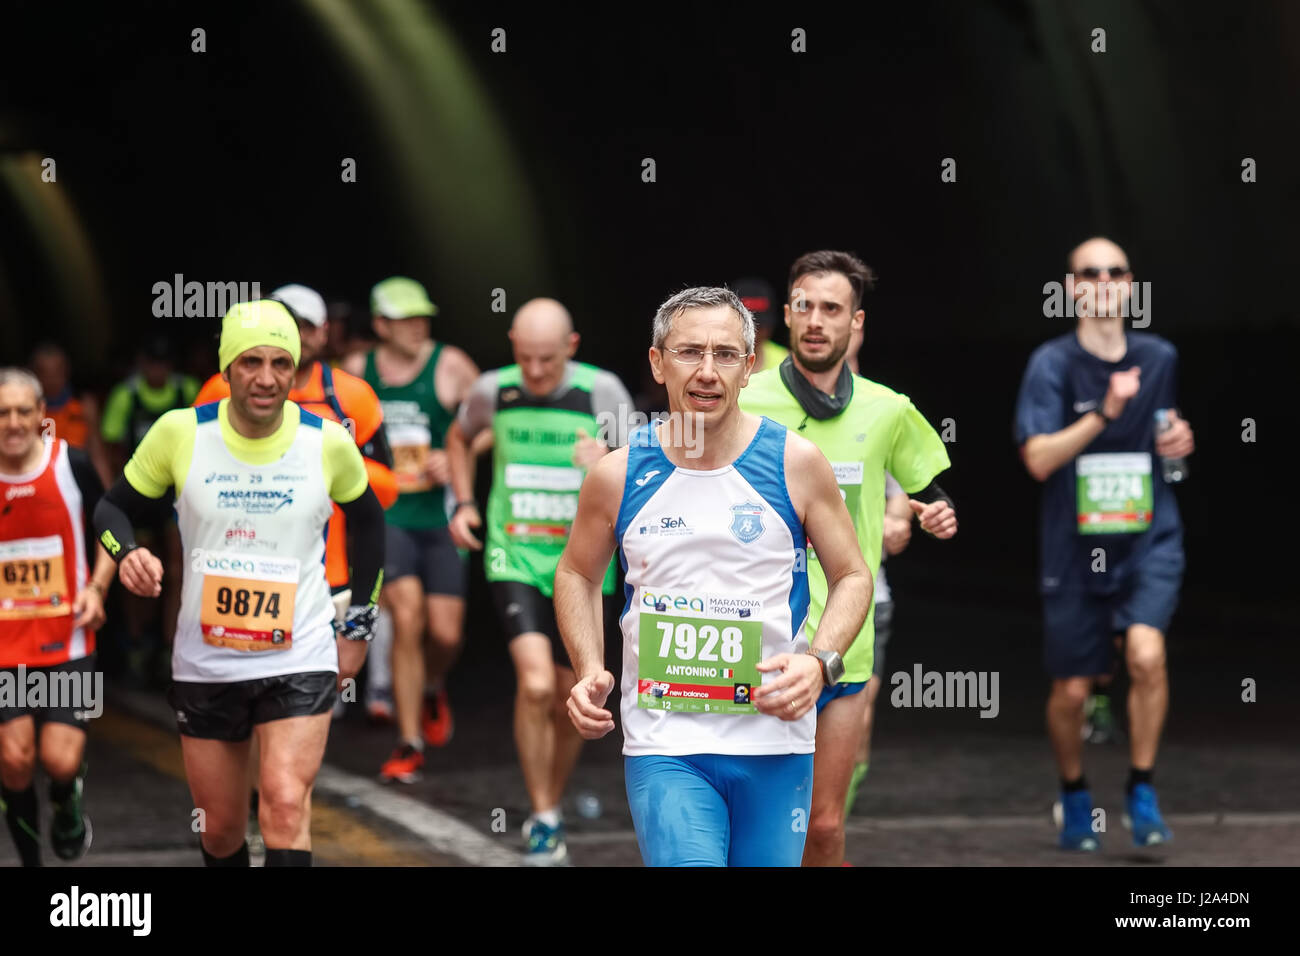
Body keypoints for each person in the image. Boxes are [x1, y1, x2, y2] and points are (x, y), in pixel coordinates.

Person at [555, 286, 873, 867]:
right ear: (657, 362)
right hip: (666, 742)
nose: (707, 372)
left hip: (776, 741)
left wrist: (820, 661)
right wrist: (588, 668)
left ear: (750, 367)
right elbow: (577, 572)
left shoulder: (795, 463)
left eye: (725, 354)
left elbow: (853, 574)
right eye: (688, 352)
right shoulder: (618, 474)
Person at [94, 300, 385, 867]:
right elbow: (110, 511)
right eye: (251, 362)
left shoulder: (325, 441)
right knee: (222, 829)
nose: (268, 378)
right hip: (208, 659)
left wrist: (359, 623)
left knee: (282, 804)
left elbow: (371, 520)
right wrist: (126, 554)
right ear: (226, 370)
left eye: (282, 363)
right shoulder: (180, 433)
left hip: (299, 648)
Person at [739, 250, 958, 867]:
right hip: (758, 637)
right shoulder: (742, 398)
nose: (816, 320)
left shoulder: (887, 409)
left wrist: (935, 513)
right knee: (756, 820)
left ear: (855, 324)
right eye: (803, 306)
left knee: (826, 828)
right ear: (786, 315)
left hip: (843, 642)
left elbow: (927, 490)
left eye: (832, 309)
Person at [1014, 236, 1193, 850]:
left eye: (1115, 271)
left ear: (1130, 284)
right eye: (1089, 273)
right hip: (1074, 545)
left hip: (1148, 537)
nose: (1103, 281)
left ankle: (1142, 790)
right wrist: (1104, 413)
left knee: (1145, 655)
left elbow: (1165, 436)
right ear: (1071, 289)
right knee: (1073, 688)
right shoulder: (1052, 364)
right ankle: (1073, 791)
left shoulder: (1159, 355)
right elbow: (1037, 459)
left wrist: (1177, 447)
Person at [446, 298, 636, 864]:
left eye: (547, 361)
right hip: (515, 557)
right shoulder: (491, 390)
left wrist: (608, 459)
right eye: (524, 358)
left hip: (583, 566)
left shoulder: (603, 393)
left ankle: (547, 805)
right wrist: (461, 503)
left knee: (570, 696)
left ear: (572, 348)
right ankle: (545, 815)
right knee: (534, 686)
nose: (533, 373)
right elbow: (458, 438)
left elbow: (650, 466)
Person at [194, 284, 400, 718]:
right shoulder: (217, 388)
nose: (295, 333)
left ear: (324, 332)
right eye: (286, 321)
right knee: (241, 707)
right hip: (241, 574)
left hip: (328, 576)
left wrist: (328, 468)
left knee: (308, 711)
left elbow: (386, 487)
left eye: (304, 325)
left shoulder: (353, 396)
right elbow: (187, 479)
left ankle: (284, 785)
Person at [340, 277, 480, 781]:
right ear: (380, 325)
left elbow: (489, 423)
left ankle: (430, 686)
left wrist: (456, 454)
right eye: (406, 319)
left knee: (446, 633)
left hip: (438, 518)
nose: (419, 327)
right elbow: (332, 435)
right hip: (386, 518)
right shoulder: (358, 372)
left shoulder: (451, 364)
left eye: (424, 316)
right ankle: (408, 742)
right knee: (406, 615)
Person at [0, 368, 117, 867]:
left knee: (59, 759)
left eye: (23, 410)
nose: (13, 422)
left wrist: (97, 587)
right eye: (2, 413)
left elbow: (114, 525)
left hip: (68, 643)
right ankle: (30, 864)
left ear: (41, 414)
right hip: (5, 649)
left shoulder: (72, 464)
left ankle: (67, 803)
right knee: (15, 759)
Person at [100, 336, 198, 686]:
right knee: (139, 568)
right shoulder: (126, 395)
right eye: (152, 363)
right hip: (140, 491)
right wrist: (118, 495)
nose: (159, 371)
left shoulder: (187, 390)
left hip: (176, 494)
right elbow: (112, 448)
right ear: (142, 364)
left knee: (176, 569)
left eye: (165, 363)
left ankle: (170, 646)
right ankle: (138, 642)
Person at [843, 472, 911, 814]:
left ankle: (830, 836)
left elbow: (899, 490)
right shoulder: (768, 420)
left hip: (867, 601)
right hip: (789, 597)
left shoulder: (878, 418)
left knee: (858, 721)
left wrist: (896, 521)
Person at [28, 343, 112, 489]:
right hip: (42, 484)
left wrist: (107, 494)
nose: (52, 379)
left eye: (57, 372)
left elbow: (97, 454)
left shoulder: (83, 406)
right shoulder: (26, 411)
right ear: (34, 374)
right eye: (45, 373)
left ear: (66, 371)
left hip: (79, 480)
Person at [733, 277, 789, 373]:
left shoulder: (785, 361)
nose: (753, 333)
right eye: (746, 326)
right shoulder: (715, 357)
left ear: (770, 327)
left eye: (760, 326)